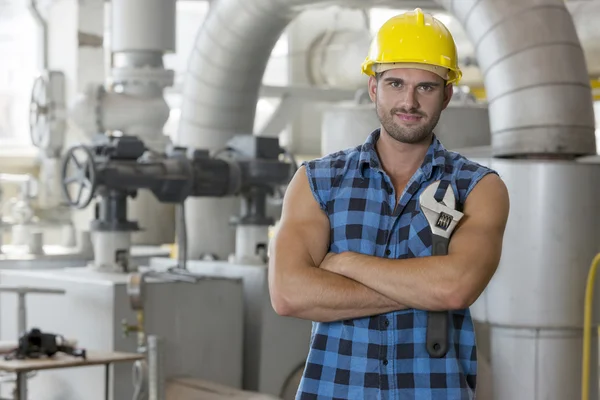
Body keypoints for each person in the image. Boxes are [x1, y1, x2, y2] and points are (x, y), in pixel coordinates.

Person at [268, 8, 510, 400]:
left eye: (426, 87)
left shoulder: (479, 187)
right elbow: (289, 294)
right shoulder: (317, 181)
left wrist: (345, 265)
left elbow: (455, 289)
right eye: (396, 83)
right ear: (373, 87)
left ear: (447, 94)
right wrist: (422, 286)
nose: (409, 101)